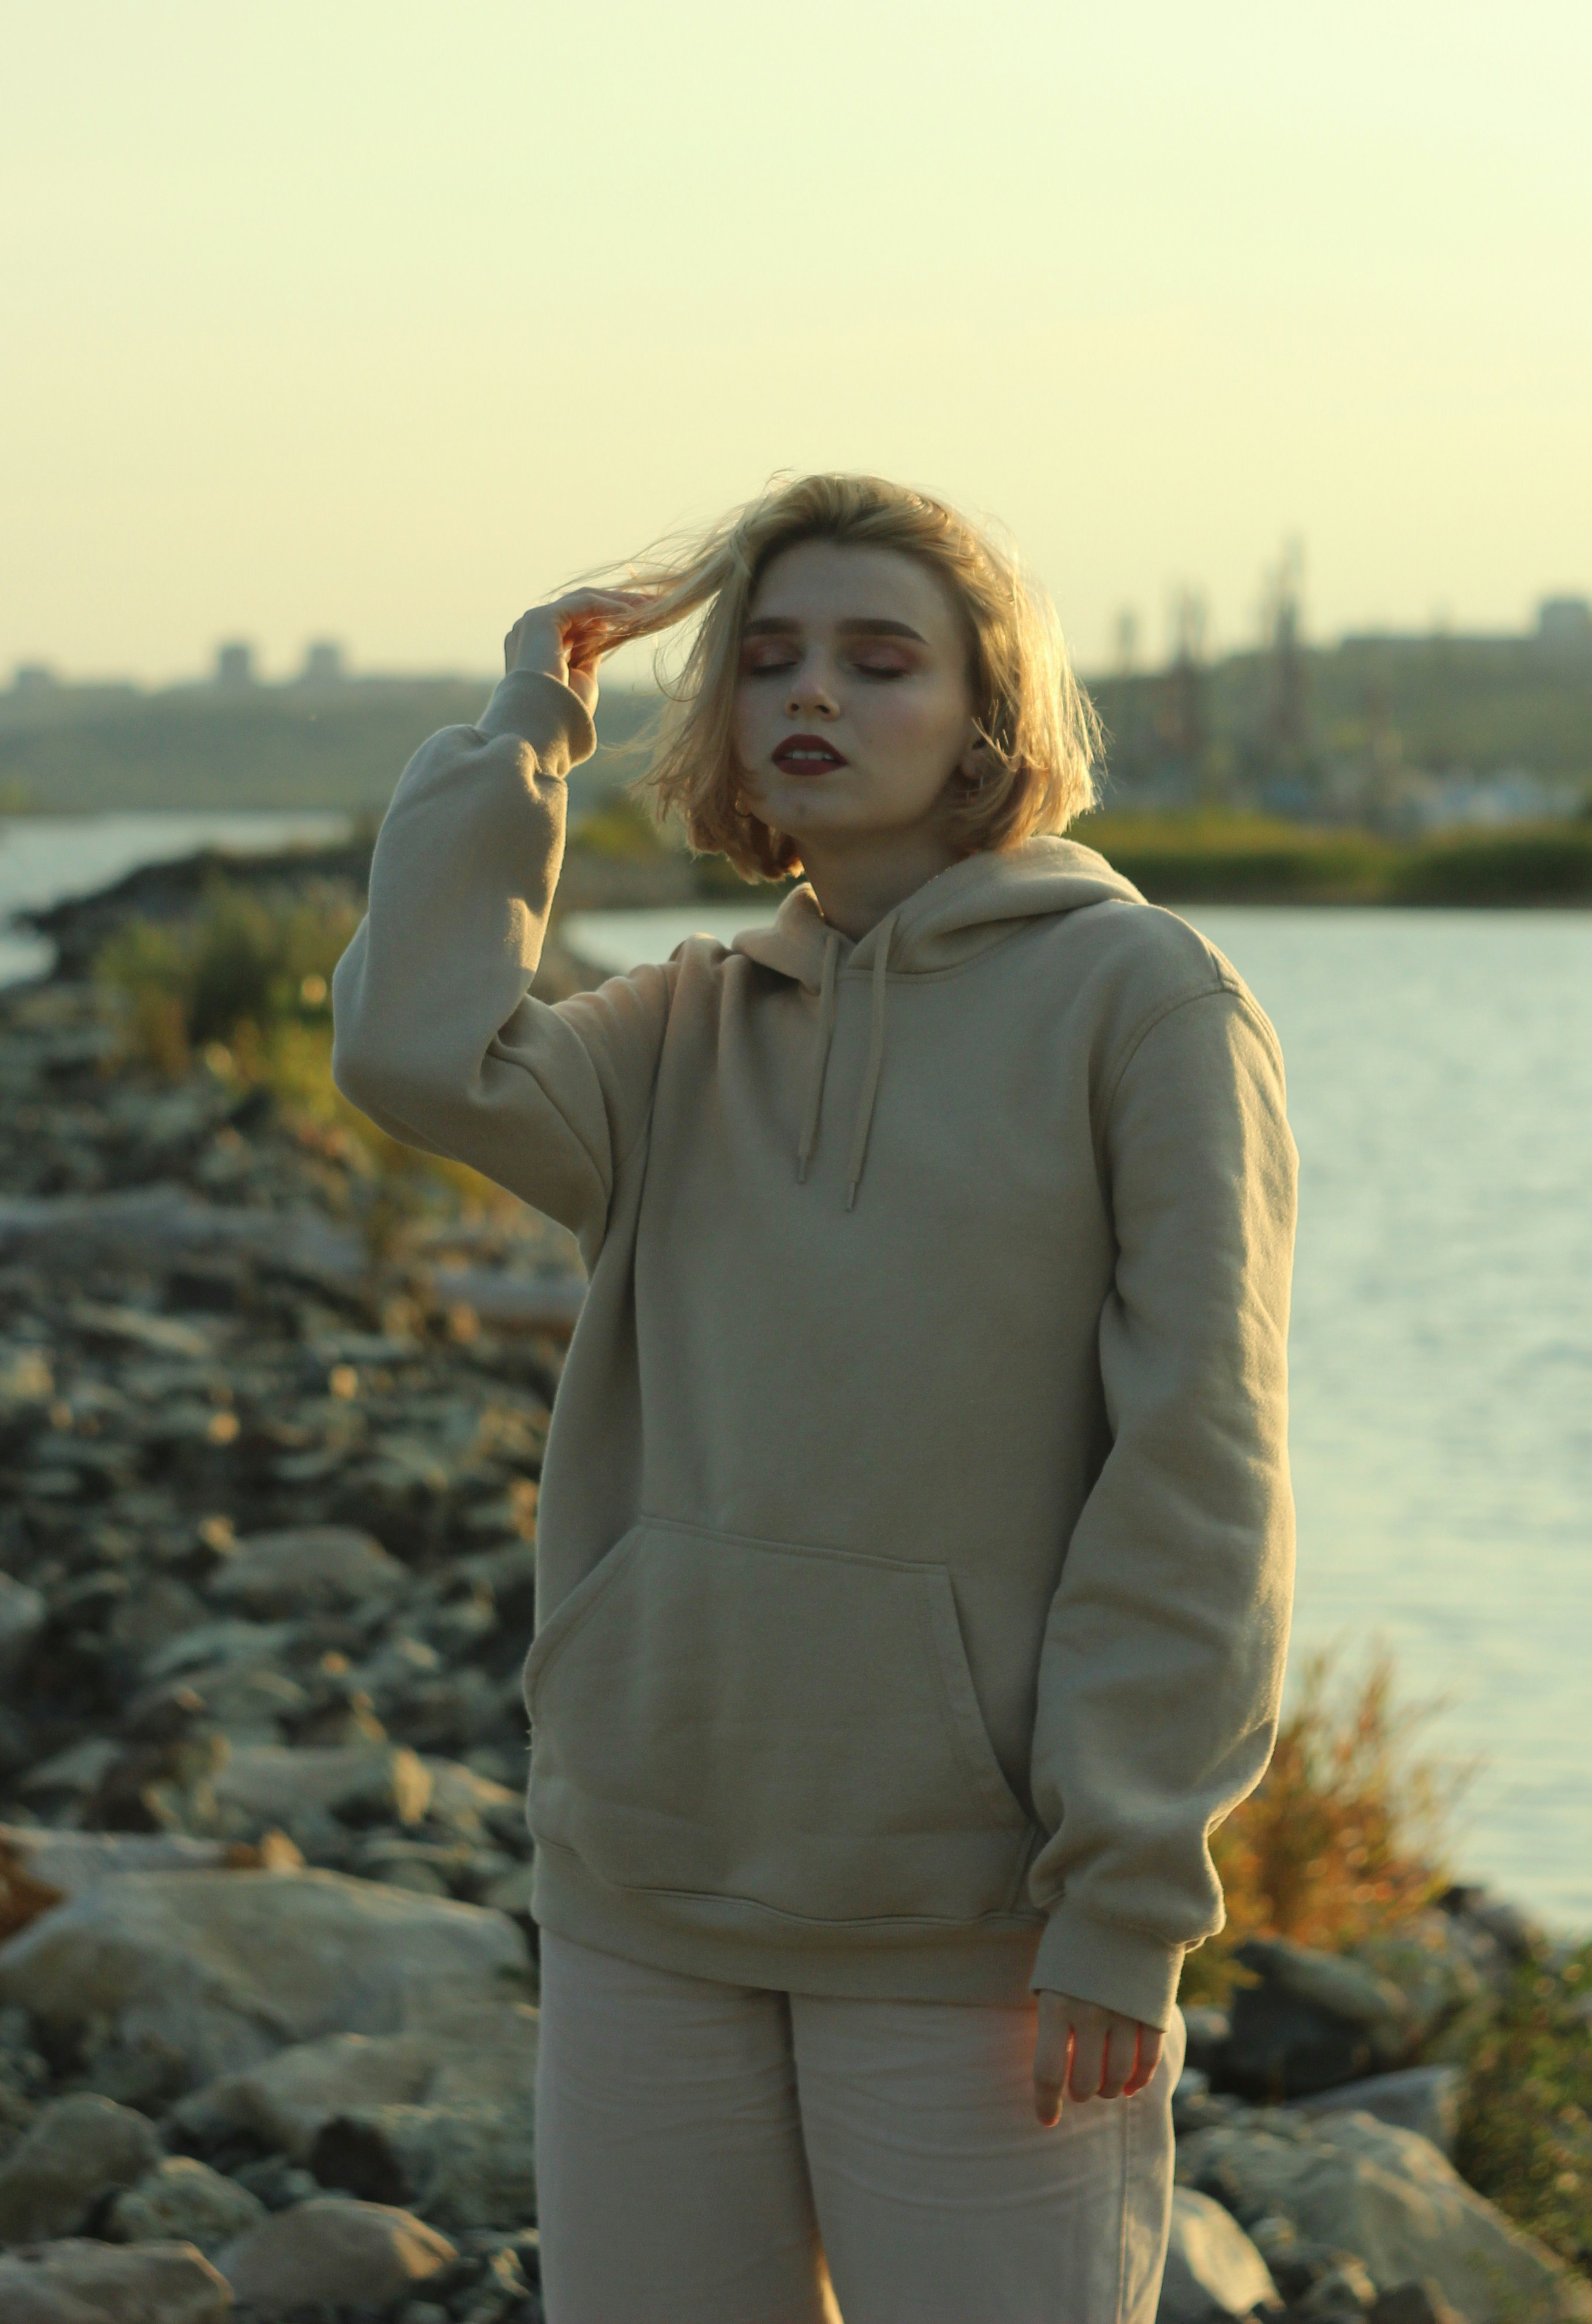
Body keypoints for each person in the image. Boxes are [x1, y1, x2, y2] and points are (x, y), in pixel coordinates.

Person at [331, 472, 1298, 2324]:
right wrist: (529, 720)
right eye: (770, 657)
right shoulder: (678, 1027)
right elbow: (410, 1049)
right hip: (645, 1889)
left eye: (881, 659)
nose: (817, 694)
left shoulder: (1145, 1000)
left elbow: (1202, 1464)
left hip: (977, 1923)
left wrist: (1127, 1896)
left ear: (988, 714)